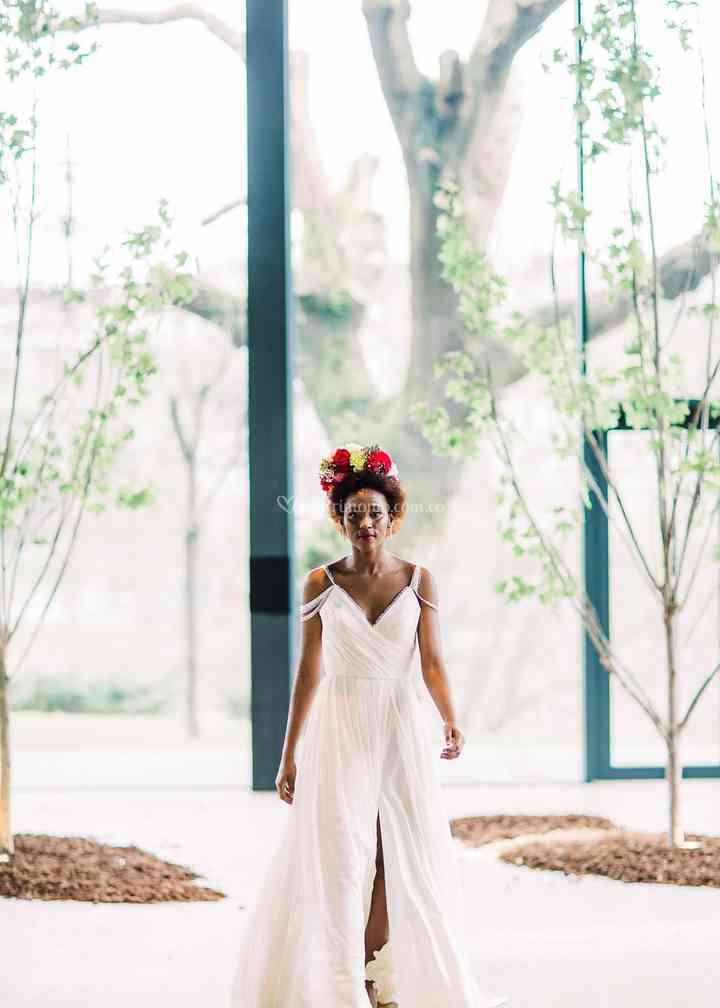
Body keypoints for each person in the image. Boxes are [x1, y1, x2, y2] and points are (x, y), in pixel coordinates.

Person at [231, 443, 506, 1007]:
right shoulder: (320, 583)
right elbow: (307, 671)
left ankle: (382, 975)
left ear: (393, 516)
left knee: (397, 850)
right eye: (353, 514)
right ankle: (340, 980)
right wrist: (289, 755)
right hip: (342, 724)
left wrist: (450, 720)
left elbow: (431, 661)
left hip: (400, 725)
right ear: (340, 518)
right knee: (343, 849)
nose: (365, 523)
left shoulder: (419, 579)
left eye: (374, 513)